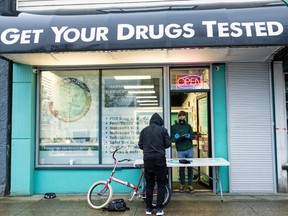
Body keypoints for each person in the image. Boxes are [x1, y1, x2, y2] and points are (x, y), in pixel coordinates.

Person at [138, 113, 171, 216]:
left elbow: (140, 145)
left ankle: (148, 209)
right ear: (160, 122)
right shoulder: (163, 130)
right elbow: (168, 144)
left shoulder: (144, 130)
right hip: (160, 159)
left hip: (148, 159)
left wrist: (148, 149)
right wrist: (159, 146)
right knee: (161, 184)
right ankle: (159, 209)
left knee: (149, 184)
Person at [171, 110, 195, 193]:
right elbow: (171, 139)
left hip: (189, 149)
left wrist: (188, 136)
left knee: (190, 167)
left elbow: (192, 136)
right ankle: (182, 184)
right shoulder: (173, 127)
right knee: (181, 168)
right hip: (180, 150)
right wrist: (176, 137)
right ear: (178, 117)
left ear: (185, 117)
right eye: (181, 117)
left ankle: (190, 185)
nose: (182, 118)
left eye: (184, 117)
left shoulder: (188, 126)